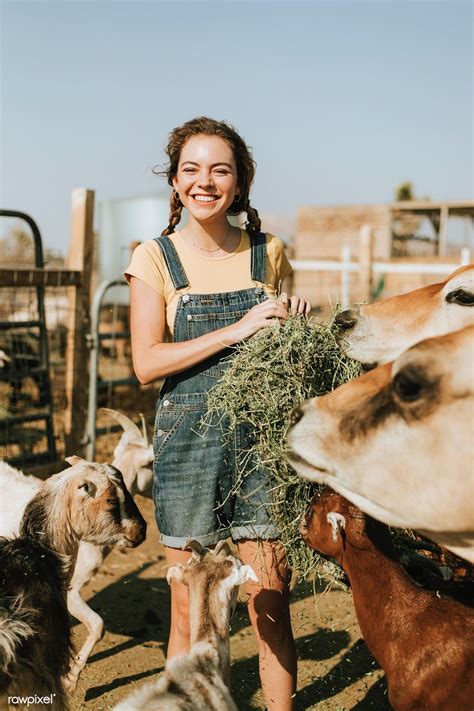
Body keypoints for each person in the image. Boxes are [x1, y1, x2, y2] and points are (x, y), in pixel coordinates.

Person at [125, 116, 310, 710]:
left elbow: (280, 352)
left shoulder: (268, 252)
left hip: (260, 444)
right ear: (175, 183)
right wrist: (237, 330)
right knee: (190, 608)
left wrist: (295, 323)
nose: (205, 181)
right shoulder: (153, 257)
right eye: (192, 169)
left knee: (270, 604)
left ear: (240, 184)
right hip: (188, 443)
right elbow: (147, 363)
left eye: (220, 170)